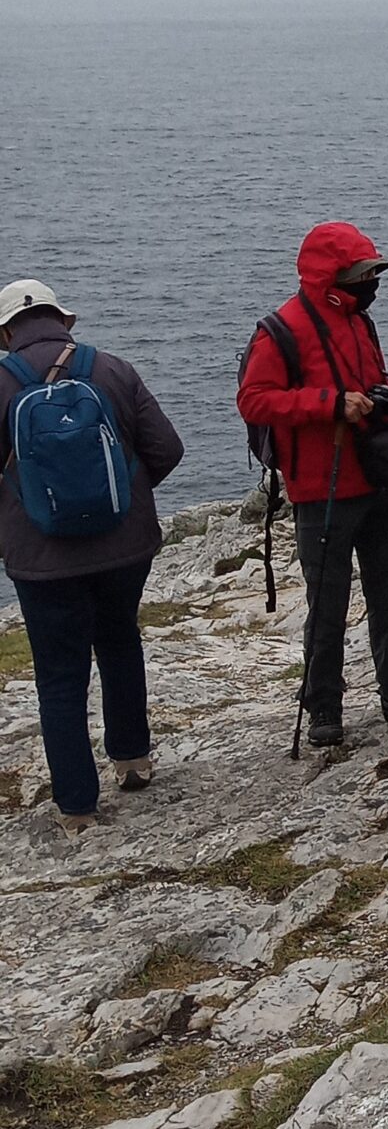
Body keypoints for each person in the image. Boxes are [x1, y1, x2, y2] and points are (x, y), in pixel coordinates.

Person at [237, 221, 388, 748]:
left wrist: (378, 398)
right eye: (363, 273)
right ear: (331, 276)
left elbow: (370, 379)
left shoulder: (360, 322)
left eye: (374, 272)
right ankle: (324, 707)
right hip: (323, 488)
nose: (372, 283)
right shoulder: (281, 330)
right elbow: (254, 399)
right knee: (328, 601)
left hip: (380, 480)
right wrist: (328, 404)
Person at [0, 280, 184, 831]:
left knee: (60, 676)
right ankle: (132, 758)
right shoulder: (113, 369)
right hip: (124, 549)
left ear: (6, 331)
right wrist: (125, 500)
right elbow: (167, 449)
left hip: (42, 558)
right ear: (65, 321)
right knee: (120, 641)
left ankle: (77, 807)